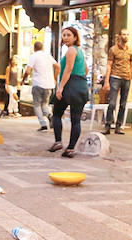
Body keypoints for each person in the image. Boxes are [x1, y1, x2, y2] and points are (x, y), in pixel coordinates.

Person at [47, 27, 89, 158]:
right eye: (64, 35)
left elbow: (68, 69)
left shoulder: (71, 50)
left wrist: (61, 87)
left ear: (75, 37)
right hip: (81, 85)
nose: (65, 37)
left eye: (68, 35)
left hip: (70, 85)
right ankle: (70, 148)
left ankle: (58, 141)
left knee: (57, 113)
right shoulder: (80, 51)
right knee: (76, 120)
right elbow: (86, 69)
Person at [102, 29, 132, 135]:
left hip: (127, 78)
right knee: (112, 103)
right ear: (120, 36)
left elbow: (131, 66)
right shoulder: (113, 50)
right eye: (124, 34)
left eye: (127, 34)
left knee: (123, 104)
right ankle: (107, 125)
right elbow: (109, 65)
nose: (125, 36)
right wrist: (107, 81)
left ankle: (118, 126)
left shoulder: (130, 50)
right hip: (115, 77)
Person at [22, 41, 60, 132]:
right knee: (45, 104)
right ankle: (50, 115)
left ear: (34, 48)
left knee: (37, 104)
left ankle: (43, 125)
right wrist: (54, 78)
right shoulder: (48, 56)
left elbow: (27, 71)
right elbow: (58, 66)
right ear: (42, 48)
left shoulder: (33, 56)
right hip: (49, 85)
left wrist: (23, 80)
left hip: (38, 84)